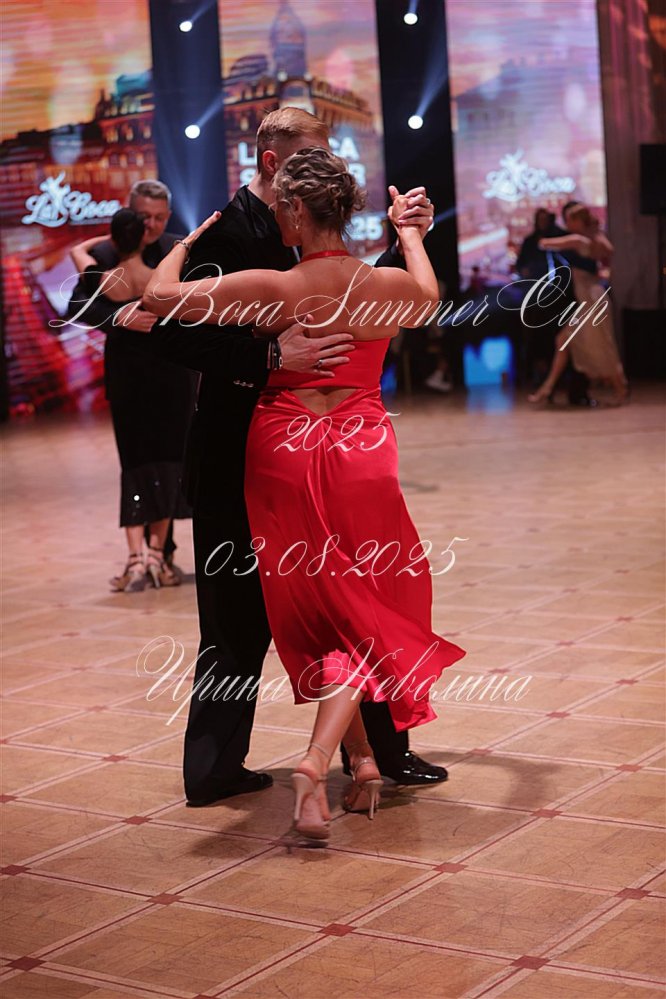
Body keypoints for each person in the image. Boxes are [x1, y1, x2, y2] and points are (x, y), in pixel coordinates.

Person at [112, 107, 445, 805]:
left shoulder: (292, 250)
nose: (325, 162)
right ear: (274, 163)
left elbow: (353, 296)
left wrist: (404, 238)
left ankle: (376, 755)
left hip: (294, 447)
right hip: (244, 451)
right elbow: (161, 331)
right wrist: (266, 356)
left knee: (346, 599)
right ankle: (221, 767)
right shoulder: (228, 233)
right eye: (313, 152)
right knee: (242, 618)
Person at [66, 180, 192, 577]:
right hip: (128, 372)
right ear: (130, 212)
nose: (151, 225)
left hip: (174, 371)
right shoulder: (107, 252)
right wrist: (119, 318)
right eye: (143, 217)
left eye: (159, 217)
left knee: (170, 457)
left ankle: (159, 552)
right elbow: (78, 305)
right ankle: (154, 554)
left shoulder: (178, 249)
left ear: (168, 217)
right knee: (138, 459)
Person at [528, 204, 628, 406]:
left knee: (602, 345)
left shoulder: (578, 240)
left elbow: (545, 243)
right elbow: (608, 250)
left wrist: (547, 237)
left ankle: (621, 387)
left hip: (592, 300)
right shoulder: (591, 239)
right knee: (564, 341)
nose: (566, 224)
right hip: (589, 299)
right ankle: (547, 388)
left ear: (576, 221)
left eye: (569, 220)